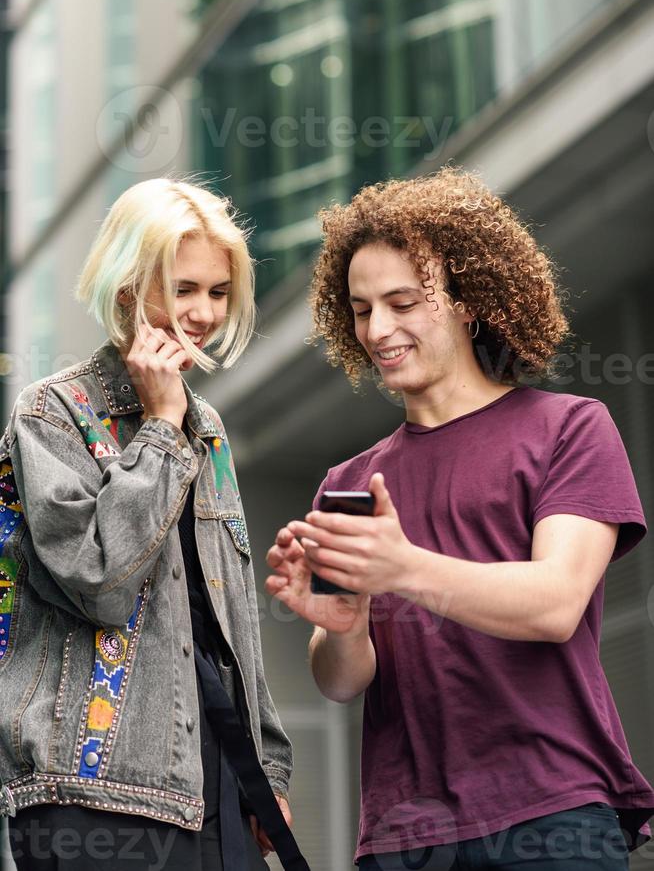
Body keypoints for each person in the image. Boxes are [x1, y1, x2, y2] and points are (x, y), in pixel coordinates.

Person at [266, 166, 654, 870]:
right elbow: (340, 681)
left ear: (468, 301)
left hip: (552, 814)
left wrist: (402, 568)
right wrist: (345, 625)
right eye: (361, 309)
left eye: (403, 302)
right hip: (404, 836)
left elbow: (556, 602)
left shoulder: (568, 429)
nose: (379, 329)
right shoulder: (347, 486)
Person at [0, 178, 296, 870]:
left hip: (214, 777)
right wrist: (160, 427)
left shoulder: (206, 427)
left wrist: (267, 772)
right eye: (182, 288)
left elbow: (231, 622)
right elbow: (101, 582)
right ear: (129, 287)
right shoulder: (51, 414)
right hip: (94, 787)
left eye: (218, 293)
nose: (202, 313)